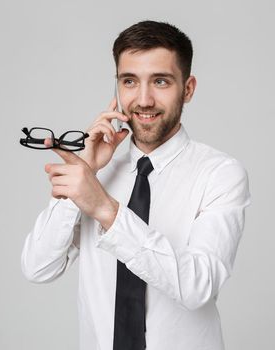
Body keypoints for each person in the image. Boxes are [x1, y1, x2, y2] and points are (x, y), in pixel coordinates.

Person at [21, 20, 251, 350]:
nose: (143, 99)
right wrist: (85, 171)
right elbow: (38, 267)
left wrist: (106, 209)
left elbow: (199, 286)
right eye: (130, 81)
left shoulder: (220, 174)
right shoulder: (95, 175)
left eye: (160, 81)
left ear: (188, 88)